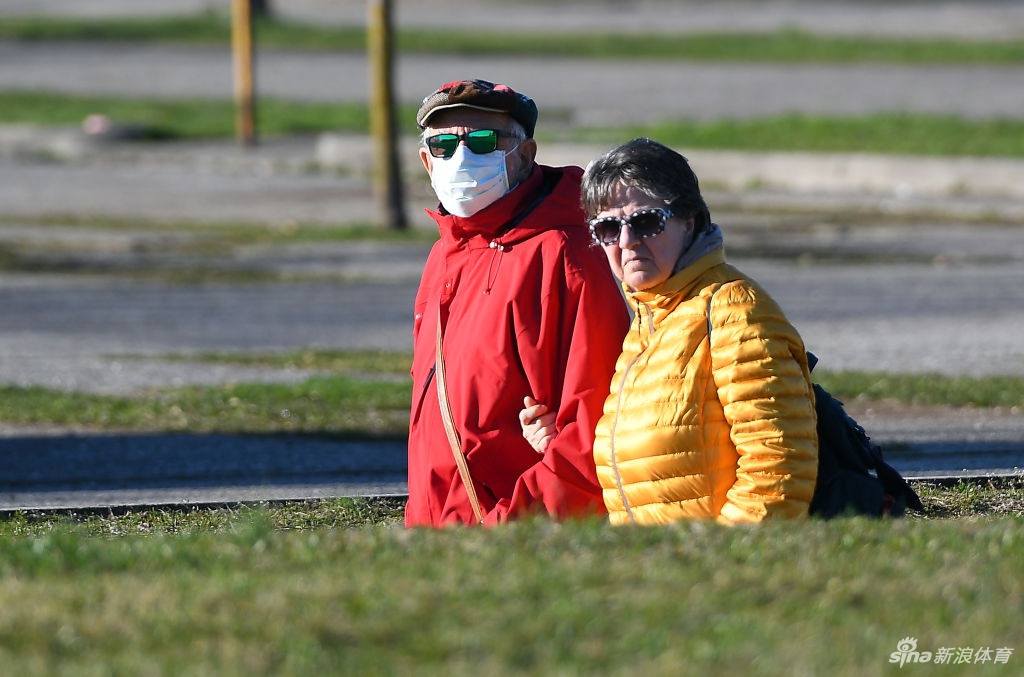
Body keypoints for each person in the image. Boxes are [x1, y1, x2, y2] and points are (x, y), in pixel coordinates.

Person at [520, 138, 819, 525]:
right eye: (608, 228)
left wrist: (724, 553)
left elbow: (777, 470)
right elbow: (647, 471)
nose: (627, 241)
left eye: (646, 222)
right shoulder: (647, 324)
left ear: (689, 221)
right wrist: (556, 442)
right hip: (658, 559)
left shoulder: (732, 310)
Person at [405, 79, 630, 527]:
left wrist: (508, 530)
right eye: (443, 145)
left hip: (510, 536)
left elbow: (593, 430)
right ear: (427, 161)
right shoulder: (445, 254)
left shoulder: (565, 254)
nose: (461, 157)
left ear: (525, 155)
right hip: (437, 536)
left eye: (484, 141)